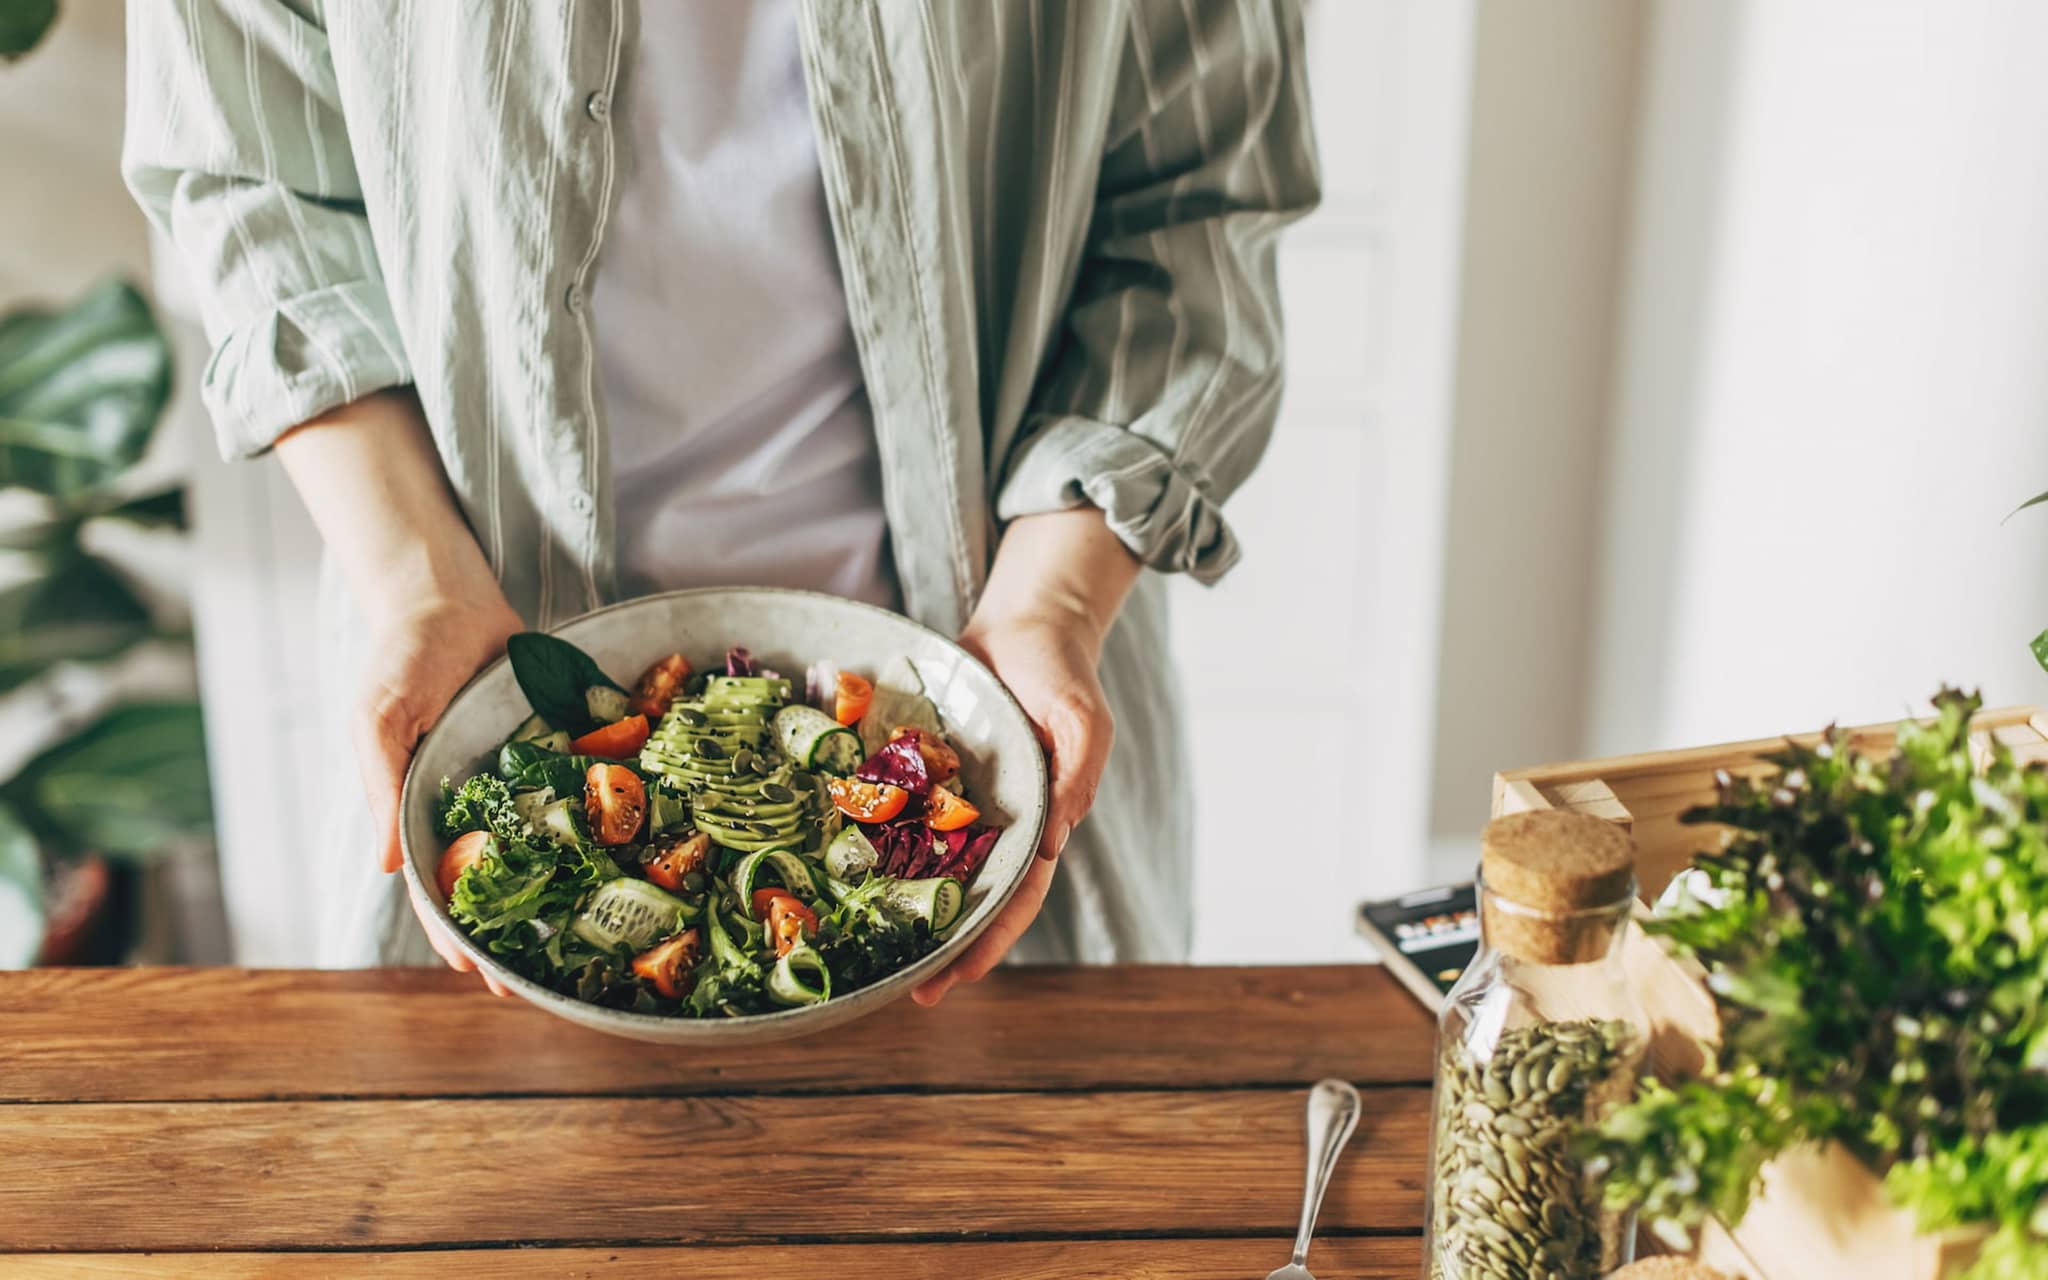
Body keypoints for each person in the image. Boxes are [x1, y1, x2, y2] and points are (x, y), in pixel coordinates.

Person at [124, 0, 1319, 1000]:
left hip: (994, 708)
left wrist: (1050, 603)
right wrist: (417, 584)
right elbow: (251, 181)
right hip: (475, 676)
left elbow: (1197, 208)